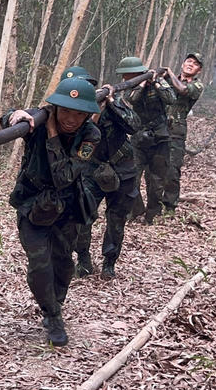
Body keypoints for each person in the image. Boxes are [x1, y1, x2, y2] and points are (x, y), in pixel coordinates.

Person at [1, 77, 102, 347]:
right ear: (56, 107)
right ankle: (53, 314)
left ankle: (55, 303)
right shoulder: (39, 120)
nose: (72, 118)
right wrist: (18, 115)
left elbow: (64, 176)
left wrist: (54, 134)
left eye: (79, 113)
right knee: (39, 263)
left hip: (67, 207)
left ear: (88, 115)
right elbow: (5, 121)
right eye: (66, 111)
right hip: (31, 203)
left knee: (63, 262)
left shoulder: (90, 135)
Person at [62, 67, 141, 280]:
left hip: (123, 170)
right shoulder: (69, 115)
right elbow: (77, 146)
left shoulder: (113, 103)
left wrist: (113, 103)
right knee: (82, 216)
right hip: (92, 170)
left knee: (116, 220)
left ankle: (109, 262)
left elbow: (133, 125)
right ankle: (84, 259)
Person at [114, 56, 173, 225]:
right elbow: (132, 99)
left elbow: (171, 98)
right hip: (139, 137)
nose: (124, 78)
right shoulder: (131, 87)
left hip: (160, 137)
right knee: (132, 176)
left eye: (126, 75)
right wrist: (141, 83)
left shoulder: (159, 81)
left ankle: (152, 214)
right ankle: (135, 209)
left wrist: (154, 82)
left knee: (156, 180)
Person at [160, 52, 206, 214]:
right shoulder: (166, 79)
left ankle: (170, 206)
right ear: (182, 63)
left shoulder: (197, 85)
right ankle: (153, 205)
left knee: (172, 170)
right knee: (154, 169)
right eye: (188, 61)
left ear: (198, 70)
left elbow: (183, 90)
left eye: (195, 63)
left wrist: (170, 73)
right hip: (158, 128)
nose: (190, 64)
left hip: (176, 131)